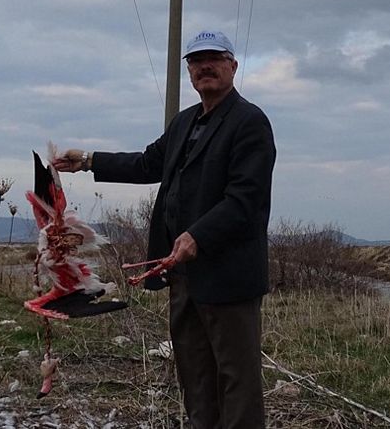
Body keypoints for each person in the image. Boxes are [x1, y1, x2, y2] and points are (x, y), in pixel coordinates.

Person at [53, 29, 276, 428]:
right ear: (189, 70)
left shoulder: (250, 122)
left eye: (213, 58)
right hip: (184, 276)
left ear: (233, 66)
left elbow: (245, 199)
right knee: (195, 374)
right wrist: (87, 159)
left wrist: (197, 236)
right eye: (195, 60)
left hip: (229, 278)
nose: (204, 66)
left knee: (236, 381)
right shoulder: (185, 123)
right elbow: (146, 164)